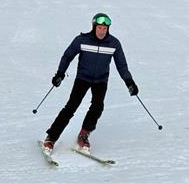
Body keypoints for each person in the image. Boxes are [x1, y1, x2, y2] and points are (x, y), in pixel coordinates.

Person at [43, 13, 138, 153]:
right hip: (83, 78)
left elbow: (122, 65)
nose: (102, 31)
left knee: (97, 107)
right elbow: (67, 56)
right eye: (99, 28)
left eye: (105, 28)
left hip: (101, 80)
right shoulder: (82, 40)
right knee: (71, 107)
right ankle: (51, 137)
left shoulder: (114, 43)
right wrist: (60, 74)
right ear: (94, 27)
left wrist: (129, 82)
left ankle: (84, 135)